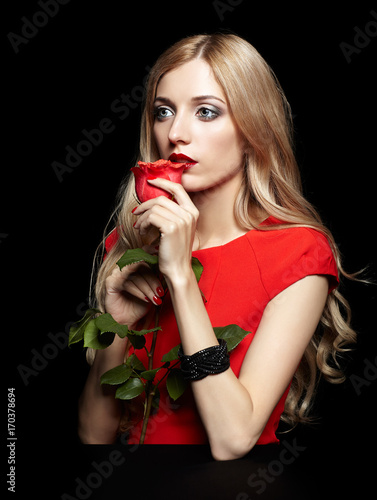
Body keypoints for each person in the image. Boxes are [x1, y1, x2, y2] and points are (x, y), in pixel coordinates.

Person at [78, 33, 356, 461]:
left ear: (252, 129)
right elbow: (94, 436)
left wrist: (181, 279)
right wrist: (114, 324)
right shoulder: (131, 243)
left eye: (206, 112)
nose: (176, 133)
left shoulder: (298, 253)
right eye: (163, 111)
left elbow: (232, 440)